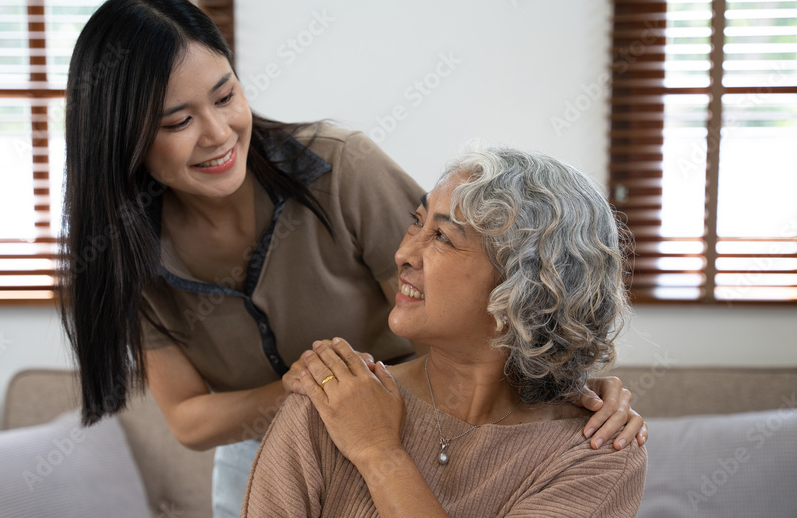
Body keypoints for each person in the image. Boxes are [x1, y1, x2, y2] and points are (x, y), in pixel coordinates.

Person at [58, 0, 647, 517]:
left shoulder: (341, 169)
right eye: (180, 120)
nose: (217, 133)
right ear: (122, 140)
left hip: (407, 420)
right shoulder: (123, 252)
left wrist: (572, 384)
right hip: (287, 441)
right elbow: (188, 418)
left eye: (225, 95)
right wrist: (319, 391)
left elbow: (479, 291)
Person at [242, 148, 648, 517]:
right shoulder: (333, 404)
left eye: (442, 237)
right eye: (415, 223)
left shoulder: (596, 452)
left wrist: (379, 451)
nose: (403, 254)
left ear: (526, 285)